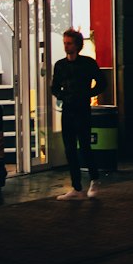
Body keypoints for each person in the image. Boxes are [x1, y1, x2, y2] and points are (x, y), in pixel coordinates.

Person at [51, 28, 102, 199]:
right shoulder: (60, 65)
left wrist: (87, 94)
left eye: (69, 43)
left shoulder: (87, 64)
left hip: (81, 110)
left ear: (77, 45)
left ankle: (93, 179)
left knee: (85, 146)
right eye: (65, 43)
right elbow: (54, 87)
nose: (66, 46)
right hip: (69, 110)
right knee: (70, 149)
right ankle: (77, 186)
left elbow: (102, 83)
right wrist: (62, 95)